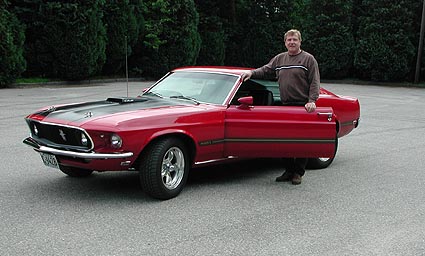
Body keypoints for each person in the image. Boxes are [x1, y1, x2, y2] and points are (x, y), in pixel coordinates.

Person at [240, 29, 320, 185]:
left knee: (301, 141)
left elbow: (315, 82)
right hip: (285, 105)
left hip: (303, 106)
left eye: (294, 40)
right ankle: (289, 170)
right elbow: (266, 69)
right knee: (284, 140)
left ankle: (298, 172)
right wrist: (251, 73)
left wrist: (312, 100)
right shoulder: (280, 59)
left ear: (300, 41)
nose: (291, 42)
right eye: (289, 40)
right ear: (285, 42)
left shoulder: (308, 59)